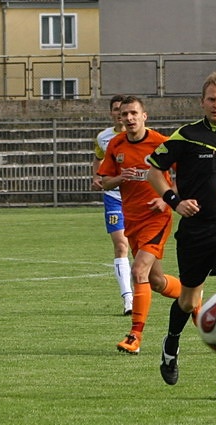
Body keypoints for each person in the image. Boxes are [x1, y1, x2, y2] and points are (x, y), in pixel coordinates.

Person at [146, 71, 216, 399]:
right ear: (202, 101)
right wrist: (175, 202)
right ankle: (171, 343)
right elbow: (154, 170)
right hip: (196, 231)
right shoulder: (187, 136)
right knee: (189, 300)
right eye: (211, 99)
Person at [98, 95, 182, 355]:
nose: (130, 118)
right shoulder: (116, 144)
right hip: (131, 218)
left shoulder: (161, 143)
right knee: (156, 280)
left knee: (138, 272)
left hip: (156, 218)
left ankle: (135, 335)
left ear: (144, 116)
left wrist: (165, 199)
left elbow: (186, 176)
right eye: (125, 114)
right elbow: (105, 182)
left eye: (134, 113)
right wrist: (120, 176)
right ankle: (193, 298)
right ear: (119, 118)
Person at [91, 94, 133, 315]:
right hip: (114, 197)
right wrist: (97, 176)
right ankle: (128, 299)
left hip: (137, 199)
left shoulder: (140, 136)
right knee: (121, 245)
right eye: (117, 110)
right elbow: (98, 159)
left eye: (125, 110)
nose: (121, 114)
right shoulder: (104, 137)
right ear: (112, 113)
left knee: (142, 252)